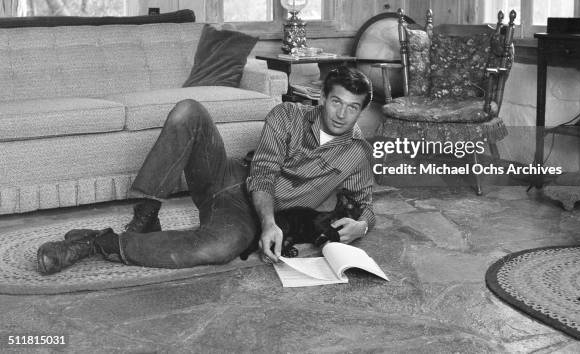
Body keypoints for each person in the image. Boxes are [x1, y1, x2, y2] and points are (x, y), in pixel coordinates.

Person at [37, 66, 375, 273]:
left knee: (218, 249)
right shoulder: (286, 115)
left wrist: (361, 225)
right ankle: (146, 217)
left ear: (361, 112)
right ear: (321, 98)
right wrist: (271, 223)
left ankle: (98, 244)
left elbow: (365, 203)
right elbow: (264, 172)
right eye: (336, 102)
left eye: (353, 108)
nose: (342, 114)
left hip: (243, 214)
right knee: (188, 110)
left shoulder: (357, 154)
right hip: (230, 176)